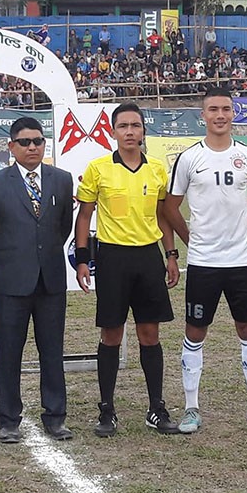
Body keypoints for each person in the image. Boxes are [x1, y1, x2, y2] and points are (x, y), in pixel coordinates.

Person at [163, 89, 247, 435]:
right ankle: (190, 408)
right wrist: (190, 240)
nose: (220, 115)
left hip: (242, 261)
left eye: (226, 109)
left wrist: (243, 233)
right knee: (195, 331)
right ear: (203, 115)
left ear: (233, 114)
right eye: (213, 109)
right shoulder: (188, 159)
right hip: (203, 262)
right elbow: (170, 207)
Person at [74, 102, 181, 437]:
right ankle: (107, 410)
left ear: (143, 131)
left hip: (149, 258)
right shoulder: (98, 168)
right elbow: (84, 216)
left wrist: (172, 254)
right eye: (123, 126)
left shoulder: (157, 170)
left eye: (136, 126)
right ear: (113, 131)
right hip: (113, 260)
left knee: (150, 334)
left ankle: (156, 408)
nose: (130, 132)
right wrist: (81, 258)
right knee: (111, 334)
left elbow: (163, 216)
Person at [0, 117, 74, 443]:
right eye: (24, 142)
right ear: (11, 146)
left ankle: (55, 416)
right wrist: (8, 263)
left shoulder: (61, 180)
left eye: (37, 141)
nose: (32, 147)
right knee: (8, 352)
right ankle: (8, 420)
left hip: (50, 282)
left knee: (52, 351)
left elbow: (63, 228)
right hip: (10, 283)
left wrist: (41, 258)